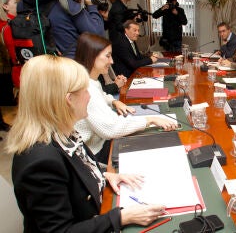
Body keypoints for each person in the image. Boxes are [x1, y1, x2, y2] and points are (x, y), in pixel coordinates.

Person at [6, 55, 166, 232]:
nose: (89, 97)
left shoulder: (63, 133)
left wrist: (103, 175)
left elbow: (75, 175)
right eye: (84, 90)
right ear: (69, 99)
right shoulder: (40, 161)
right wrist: (122, 217)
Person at [75, 33, 176, 163]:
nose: (111, 61)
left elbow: (102, 95)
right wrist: (150, 120)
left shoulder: (89, 80)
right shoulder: (86, 89)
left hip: (100, 144)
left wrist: (114, 101)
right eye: (107, 56)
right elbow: (111, 128)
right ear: (92, 56)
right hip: (96, 153)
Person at [17, 0, 104, 59]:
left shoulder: (21, 6)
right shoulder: (64, 3)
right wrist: (92, 6)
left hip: (44, 67)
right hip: (72, 66)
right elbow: (96, 33)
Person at [0, 0, 20, 94]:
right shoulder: (10, 27)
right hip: (21, 75)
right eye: (15, 2)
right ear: (5, 6)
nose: (18, 4)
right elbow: (16, 57)